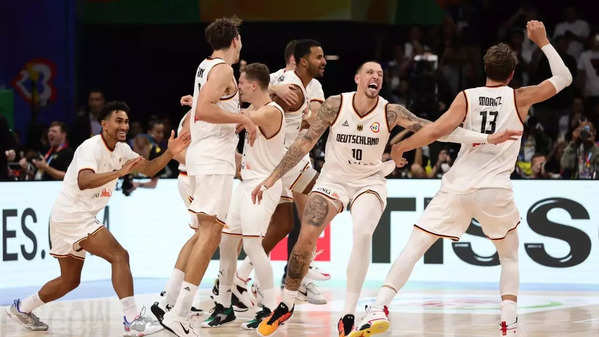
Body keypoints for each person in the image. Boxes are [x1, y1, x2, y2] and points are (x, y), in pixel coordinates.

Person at [251, 60, 519, 337]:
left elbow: (435, 128)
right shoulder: (335, 105)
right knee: (307, 233)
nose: (375, 76)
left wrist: (485, 138)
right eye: (369, 72)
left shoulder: (390, 112)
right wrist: (272, 178)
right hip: (333, 181)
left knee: (362, 234)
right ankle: (287, 303)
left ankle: (348, 314)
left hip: (369, 182)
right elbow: (304, 142)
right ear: (357, 78)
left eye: (380, 74)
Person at [352, 20, 572, 337]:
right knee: (509, 258)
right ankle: (508, 323)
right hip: (494, 189)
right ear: (512, 74)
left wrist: (401, 145)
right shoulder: (520, 97)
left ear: (484, 68)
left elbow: (436, 131)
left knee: (414, 247)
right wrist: (543, 41)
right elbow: (564, 78)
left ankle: (378, 307)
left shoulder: (466, 97)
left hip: (457, 185)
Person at [6, 101, 190, 336]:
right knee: (119, 256)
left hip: (73, 216)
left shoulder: (123, 150)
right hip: (73, 214)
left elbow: (150, 169)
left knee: (70, 281)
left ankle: (22, 307)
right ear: (104, 124)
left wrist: (170, 153)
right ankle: (132, 319)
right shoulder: (90, 147)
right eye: (118, 120)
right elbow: (84, 181)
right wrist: (119, 173)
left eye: (126, 121)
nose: (124, 125)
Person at [157, 17, 258, 337]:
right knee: (211, 234)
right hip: (214, 158)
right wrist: (242, 117)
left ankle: (170, 302)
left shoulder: (205, 66)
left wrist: (232, 117)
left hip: (204, 157)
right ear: (236, 40)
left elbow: (202, 109)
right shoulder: (224, 69)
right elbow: (203, 110)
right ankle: (181, 313)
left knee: (203, 233)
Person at [229, 39, 330, 309]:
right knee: (322, 199)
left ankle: (239, 279)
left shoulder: (296, 82)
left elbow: (258, 94)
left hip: (282, 157)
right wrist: (246, 118)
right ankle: (302, 270)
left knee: (284, 223)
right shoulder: (293, 89)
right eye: (319, 57)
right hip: (283, 158)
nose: (325, 61)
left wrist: (249, 117)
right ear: (300, 61)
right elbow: (312, 122)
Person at [204, 63, 286, 330]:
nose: (238, 86)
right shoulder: (254, 110)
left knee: (252, 246)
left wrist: (204, 107)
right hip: (246, 184)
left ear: (253, 85)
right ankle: (224, 305)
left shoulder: (273, 112)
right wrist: (199, 103)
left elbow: (243, 119)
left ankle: (271, 308)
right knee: (227, 244)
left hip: (264, 185)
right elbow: (241, 117)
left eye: (241, 82)